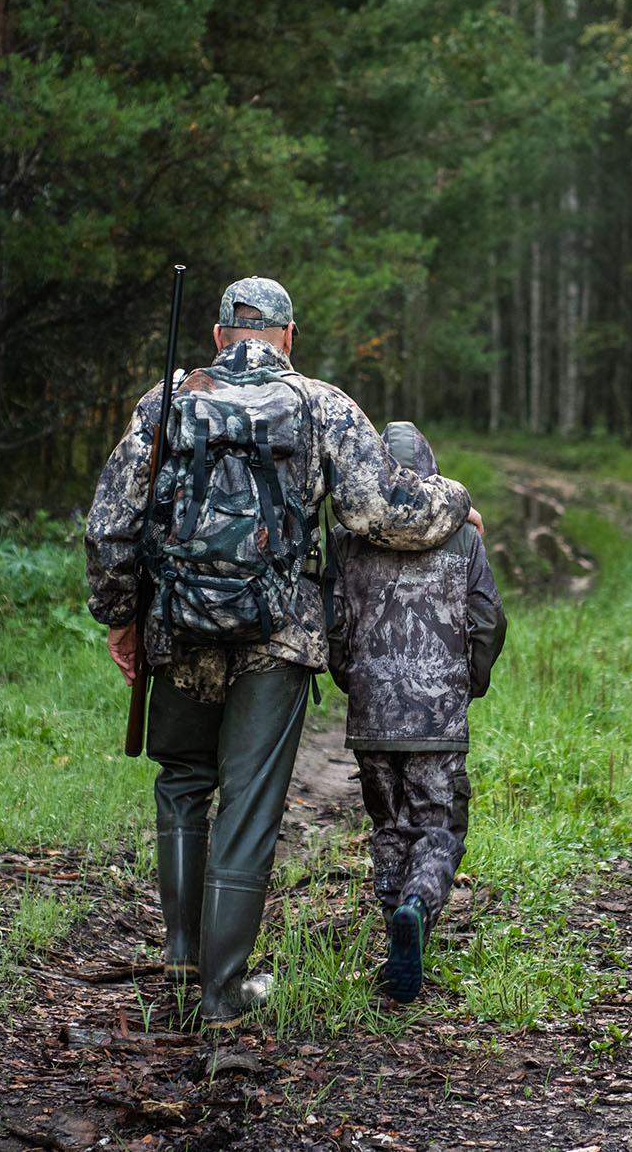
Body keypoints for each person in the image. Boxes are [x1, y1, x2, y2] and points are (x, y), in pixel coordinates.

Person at [85, 276, 481, 1033]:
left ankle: (180, 959)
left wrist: (121, 618)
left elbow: (110, 525)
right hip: (277, 634)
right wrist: (457, 500)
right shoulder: (320, 404)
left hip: (178, 624)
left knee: (182, 782)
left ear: (217, 335)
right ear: (287, 337)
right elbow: (382, 509)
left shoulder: (165, 400)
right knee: (249, 806)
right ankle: (224, 992)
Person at [327, 421, 505, 1004]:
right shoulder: (463, 537)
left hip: (372, 714)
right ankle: (415, 912)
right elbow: (487, 620)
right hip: (437, 717)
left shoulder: (348, 538)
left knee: (388, 827)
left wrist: (351, 679)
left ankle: (394, 940)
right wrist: (468, 683)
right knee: (439, 826)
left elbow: (333, 624)